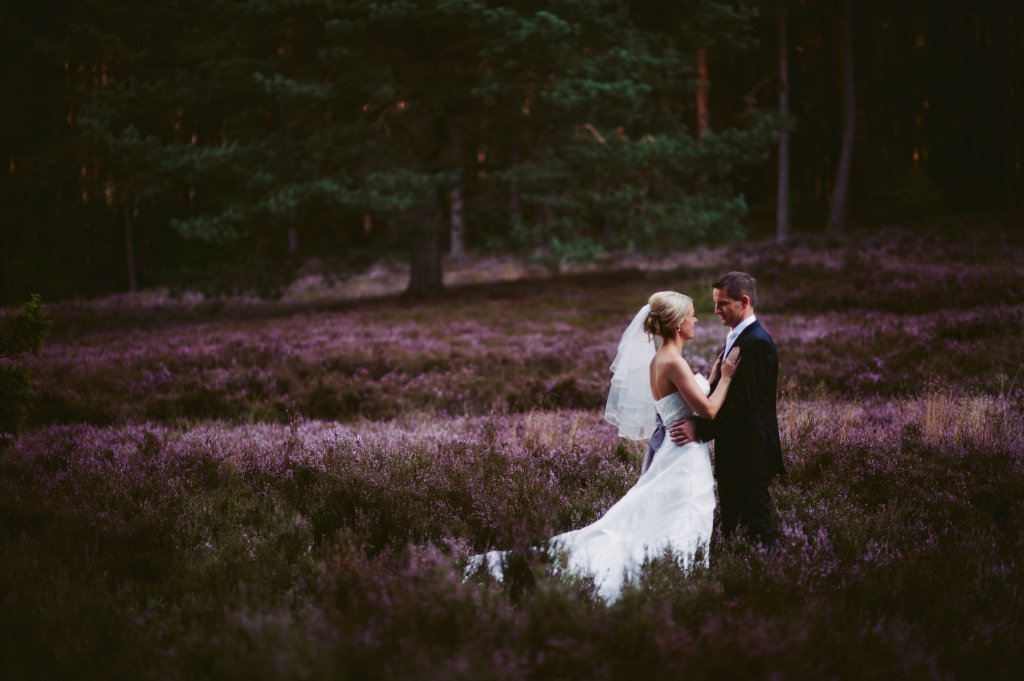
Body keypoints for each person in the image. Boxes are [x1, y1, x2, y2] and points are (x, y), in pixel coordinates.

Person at [468, 292, 739, 601]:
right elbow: (709, 411)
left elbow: (686, 400)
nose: (695, 320)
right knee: (682, 515)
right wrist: (727, 379)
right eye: (691, 315)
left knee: (669, 516)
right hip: (684, 458)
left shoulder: (664, 359)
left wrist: (713, 374)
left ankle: (677, 577)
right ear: (678, 324)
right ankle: (677, 582)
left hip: (680, 452)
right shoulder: (673, 362)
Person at [669, 272, 785, 549]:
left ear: (743, 302)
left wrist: (700, 429)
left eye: (722, 304)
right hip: (733, 450)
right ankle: (738, 571)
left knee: (758, 528)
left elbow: (743, 405)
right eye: (716, 303)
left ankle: (766, 579)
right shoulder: (736, 338)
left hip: (751, 453)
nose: (716, 310)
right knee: (734, 524)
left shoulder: (758, 343)